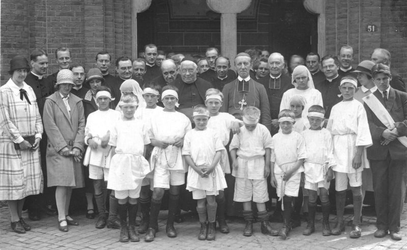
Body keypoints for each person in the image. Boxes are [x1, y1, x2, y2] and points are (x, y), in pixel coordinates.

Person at [363, 63, 407, 241]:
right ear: (373, 80)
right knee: (379, 189)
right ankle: (381, 225)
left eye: (385, 78)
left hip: (398, 150)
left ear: (390, 78)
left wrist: (397, 130)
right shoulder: (367, 99)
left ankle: (394, 227)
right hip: (378, 148)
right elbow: (366, 123)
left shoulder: (402, 96)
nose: (382, 82)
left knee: (397, 190)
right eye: (378, 79)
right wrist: (382, 132)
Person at [0, 56, 43, 234]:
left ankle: (20, 217)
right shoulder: (4, 91)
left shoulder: (29, 89)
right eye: (19, 71)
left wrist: (38, 134)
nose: (23, 74)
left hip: (30, 143)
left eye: (25, 71)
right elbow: (5, 120)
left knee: (26, 183)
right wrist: (20, 140)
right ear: (12, 72)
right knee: (15, 182)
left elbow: (37, 115)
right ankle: (14, 219)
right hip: (12, 144)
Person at [144, 86, 192, 242]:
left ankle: (170, 225)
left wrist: (183, 141)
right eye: (167, 98)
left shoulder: (183, 118)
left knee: (175, 191)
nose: (170, 101)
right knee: (158, 191)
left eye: (173, 98)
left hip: (177, 156)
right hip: (160, 155)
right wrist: (155, 142)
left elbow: (189, 137)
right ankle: (152, 226)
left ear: (177, 101)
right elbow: (148, 136)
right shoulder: (154, 117)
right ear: (162, 100)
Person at [328, 76, 372, 238]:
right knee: (339, 187)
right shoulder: (335, 108)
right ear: (340, 89)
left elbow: (362, 131)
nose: (347, 91)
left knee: (355, 186)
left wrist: (358, 154)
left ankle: (356, 223)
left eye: (350, 88)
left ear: (355, 90)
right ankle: (339, 222)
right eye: (344, 88)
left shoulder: (359, 107)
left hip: (353, 147)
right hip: (338, 148)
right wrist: (330, 155)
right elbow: (330, 132)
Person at [43, 69, 86, 232]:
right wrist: (63, 148)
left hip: (73, 148)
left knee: (70, 184)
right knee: (61, 183)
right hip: (58, 149)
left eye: (69, 84)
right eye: (64, 84)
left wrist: (77, 146)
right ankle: (61, 217)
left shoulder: (77, 101)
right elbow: (50, 126)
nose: (67, 87)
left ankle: (66, 214)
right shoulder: (50, 101)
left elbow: (82, 124)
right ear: (58, 85)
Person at [107, 94, 151, 242]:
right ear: (121, 108)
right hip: (121, 163)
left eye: (132, 107)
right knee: (121, 198)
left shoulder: (141, 124)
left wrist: (139, 162)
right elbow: (113, 147)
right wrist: (115, 167)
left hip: (136, 162)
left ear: (136, 108)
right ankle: (123, 228)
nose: (129, 110)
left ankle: (132, 227)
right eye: (126, 107)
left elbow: (144, 146)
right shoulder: (116, 124)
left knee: (133, 197)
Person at [183, 105, 227, 241]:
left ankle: (212, 226)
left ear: (208, 119)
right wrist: (196, 169)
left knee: (211, 200)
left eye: (204, 119)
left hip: (211, 170)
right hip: (197, 171)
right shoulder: (189, 134)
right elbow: (186, 154)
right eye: (198, 120)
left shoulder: (213, 133)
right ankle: (203, 226)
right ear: (193, 119)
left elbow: (219, 151)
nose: (201, 122)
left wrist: (212, 167)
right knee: (200, 201)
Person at [230, 106, 276, 237]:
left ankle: (264, 224)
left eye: (253, 125)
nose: (250, 128)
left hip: (258, 164)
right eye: (248, 125)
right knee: (245, 194)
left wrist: (267, 165)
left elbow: (268, 148)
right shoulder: (240, 130)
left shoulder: (263, 130)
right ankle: (248, 223)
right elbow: (233, 147)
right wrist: (234, 160)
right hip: (242, 164)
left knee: (260, 193)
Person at [24, 49, 55, 221]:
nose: (45, 66)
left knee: (45, 166)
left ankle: (45, 204)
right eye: (41, 63)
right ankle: (33, 208)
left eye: (46, 63)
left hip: (47, 129)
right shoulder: (26, 82)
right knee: (33, 168)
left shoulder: (49, 81)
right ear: (32, 64)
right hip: (33, 131)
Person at [83, 87, 120, 229]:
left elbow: (119, 132)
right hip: (95, 153)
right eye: (100, 99)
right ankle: (102, 215)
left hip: (111, 153)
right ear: (96, 101)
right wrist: (88, 141)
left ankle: (112, 217)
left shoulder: (117, 115)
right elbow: (87, 134)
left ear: (110, 100)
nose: (103, 101)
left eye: (105, 98)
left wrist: (109, 138)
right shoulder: (92, 116)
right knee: (97, 185)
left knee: (112, 185)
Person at [205, 88, 242, 232]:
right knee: (207, 189)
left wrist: (236, 123)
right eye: (211, 103)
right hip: (206, 155)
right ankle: (209, 221)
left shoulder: (226, 116)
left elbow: (243, 124)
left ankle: (222, 220)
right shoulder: (203, 116)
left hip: (221, 155)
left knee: (220, 190)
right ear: (206, 103)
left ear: (220, 104)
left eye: (216, 103)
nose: (213, 106)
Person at [270, 109, 306, 240]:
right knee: (282, 196)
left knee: (289, 197)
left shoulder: (298, 137)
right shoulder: (275, 138)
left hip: (294, 170)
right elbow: (272, 158)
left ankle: (286, 225)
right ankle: (287, 222)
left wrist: (291, 172)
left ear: (293, 123)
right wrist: (273, 176)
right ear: (279, 123)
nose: (285, 126)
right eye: (283, 123)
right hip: (279, 170)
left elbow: (301, 158)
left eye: (288, 123)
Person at [301, 105, 335, 236]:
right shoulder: (303, 134)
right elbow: (301, 153)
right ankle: (311, 224)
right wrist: (303, 170)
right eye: (312, 119)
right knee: (311, 196)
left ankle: (325, 224)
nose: (314, 122)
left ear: (322, 121)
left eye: (317, 120)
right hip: (309, 168)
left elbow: (330, 151)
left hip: (323, 168)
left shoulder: (326, 133)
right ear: (308, 119)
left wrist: (330, 168)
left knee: (324, 194)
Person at [221, 53, 272, 131]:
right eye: (239, 64)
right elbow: (222, 113)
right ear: (235, 66)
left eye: (245, 63)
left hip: (254, 129)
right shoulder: (227, 87)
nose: (243, 67)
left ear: (251, 65)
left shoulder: (260, 87)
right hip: (233, 131)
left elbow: (265, 114)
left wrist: (266, 132)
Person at [138, 84, 163, 234]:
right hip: (142, 151)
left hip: (158, 150)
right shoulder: (138, 112)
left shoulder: (161, 111)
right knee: (144, 187)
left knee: (157, 187)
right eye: (147, 95)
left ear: (158, 97)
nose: (150, 99)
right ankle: (144, 219)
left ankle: (154, 221)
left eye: (153, 96)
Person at [81, 68, 106, 219]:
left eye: (98, 81)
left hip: (107, 147)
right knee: (94, 180)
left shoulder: (108, 97)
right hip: (93, 146)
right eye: (92, 82)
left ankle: (108, 211)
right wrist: (89, 139)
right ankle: (96, 209)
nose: (95, 84)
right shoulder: (86, 99)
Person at [257, 52, 293, 134]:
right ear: (268, 65)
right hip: (264, 123)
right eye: (271, 63)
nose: (274, 66)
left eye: (277, 63)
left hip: (284, 123)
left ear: (283, 65)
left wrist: (280, 119)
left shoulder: (290, 82)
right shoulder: (260, 83)